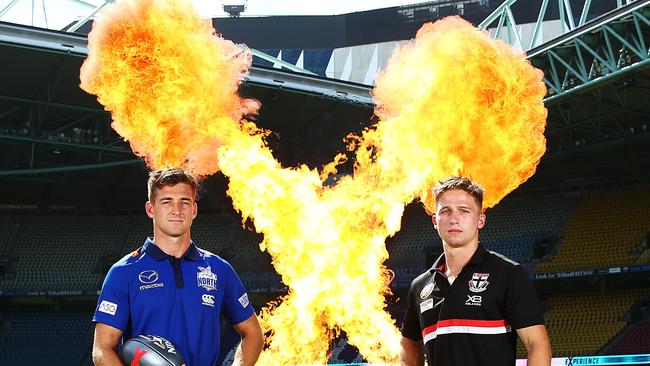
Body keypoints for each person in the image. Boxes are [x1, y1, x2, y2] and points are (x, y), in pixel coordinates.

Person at [92, 168, 263, 366]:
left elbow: (253, 333)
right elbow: (102, 349)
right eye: (167, 202)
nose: (177, 209)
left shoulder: (218, 269)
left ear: (194, 210)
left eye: (185, 202)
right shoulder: (124, 272)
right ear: (150, 209)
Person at [400, 176, 551, 366]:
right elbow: (409, 344)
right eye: (445, 211)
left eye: (463, 211)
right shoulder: (420, 286)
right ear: (435, 221)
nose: (454, 219)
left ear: (480, 220)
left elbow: (537, 344)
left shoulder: (507, 273)